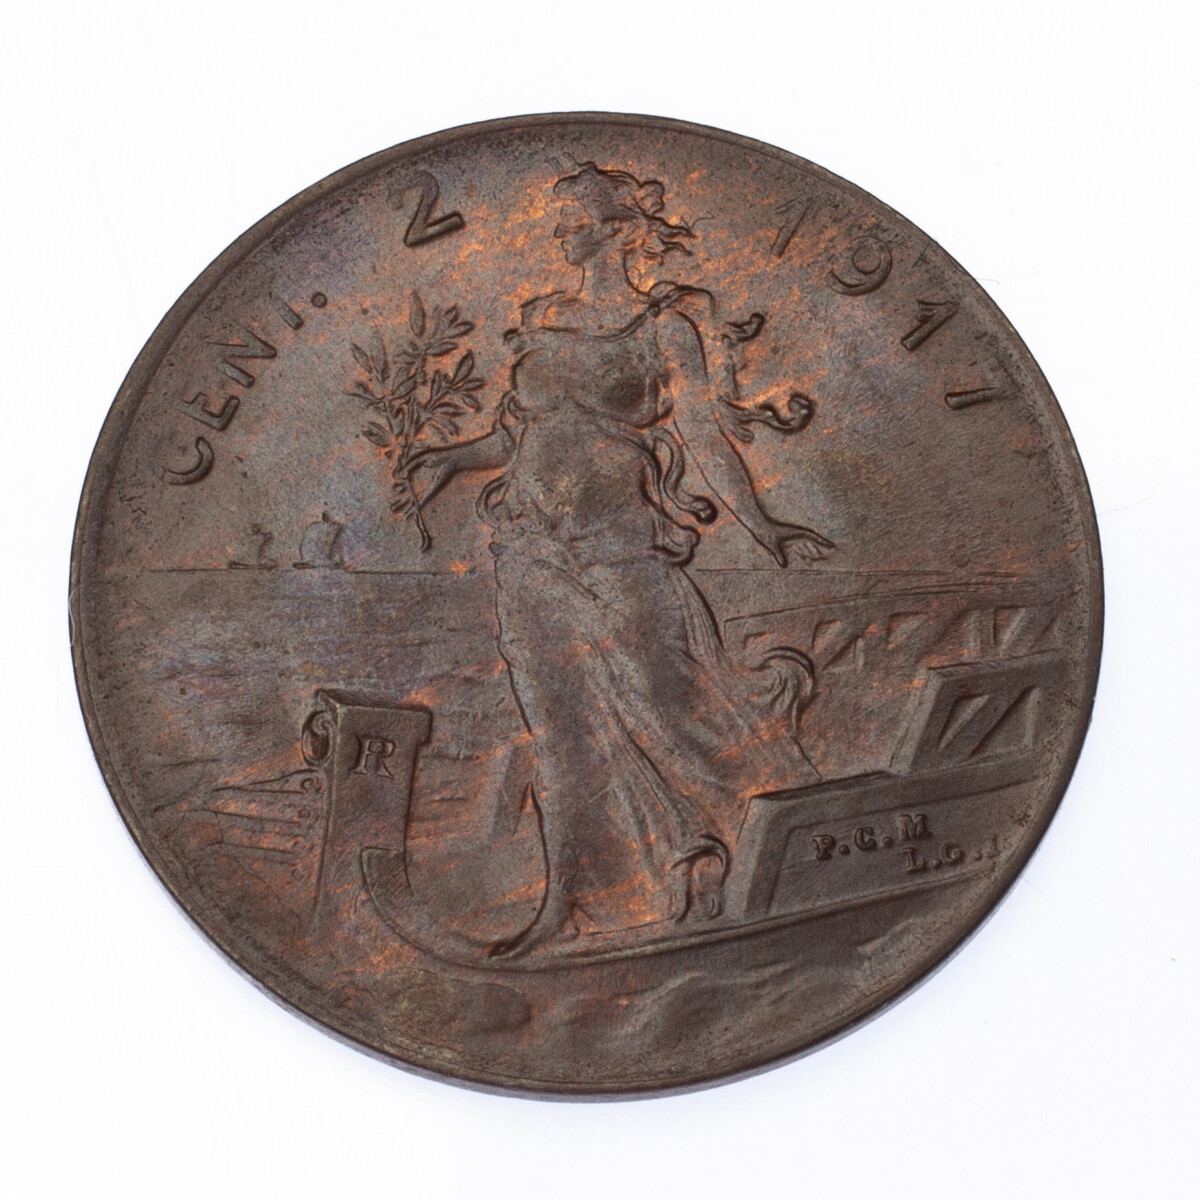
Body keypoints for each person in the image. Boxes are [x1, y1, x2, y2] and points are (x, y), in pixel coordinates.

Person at [407, 164, 832, 955]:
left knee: (671, 707)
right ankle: (568, 901)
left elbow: (702, 432)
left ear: (617, 230)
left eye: (573, 221)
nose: (559, 233)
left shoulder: (664, 328)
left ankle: (794, 848)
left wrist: (764, 524)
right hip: (531, 551)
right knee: (560, 730)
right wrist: (449, 457)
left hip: (621, 548)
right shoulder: (543, 319)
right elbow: (514, 436)